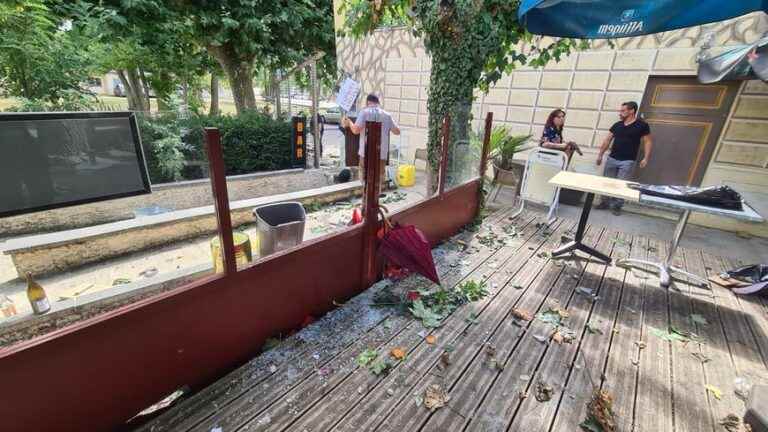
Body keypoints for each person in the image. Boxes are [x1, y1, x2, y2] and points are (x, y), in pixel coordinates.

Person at [596, 101, 653, 215]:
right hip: (612, 158)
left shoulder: (642, 125)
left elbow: (648, 142)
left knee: (622, 184)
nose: (620, 113)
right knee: (607, 182)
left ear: (631, 111)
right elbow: (607, 140)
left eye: (623, 111)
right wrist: (600, 155)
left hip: (628, 161)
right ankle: (604, 202)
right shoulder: (617, 125)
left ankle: (617, 206)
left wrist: (646, 158)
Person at [343, 94, 400, 191]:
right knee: (379, 176)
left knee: (365, 176)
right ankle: (376, 198)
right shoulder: (387, 115)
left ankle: (366, 198)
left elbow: (356, 130)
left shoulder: (364, 112)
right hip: (381, 153)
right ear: (378, 102)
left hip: (366, 152)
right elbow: (397, 131)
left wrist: (349, 123)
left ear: (367, 102)